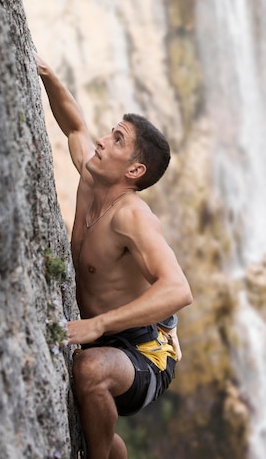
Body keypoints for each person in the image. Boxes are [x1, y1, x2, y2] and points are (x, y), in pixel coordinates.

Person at [35, 53, 193, 459]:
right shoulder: (92, 175)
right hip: (106, 342)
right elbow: (74, 124)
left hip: (147, 353)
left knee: (90, 371)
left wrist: (96, 325)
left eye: (117, 140)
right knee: (93, 391)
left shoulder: (134, 218)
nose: (104, 141)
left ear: (135, 171)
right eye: (111, 133)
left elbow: (178, 289)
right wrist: (46, 73)